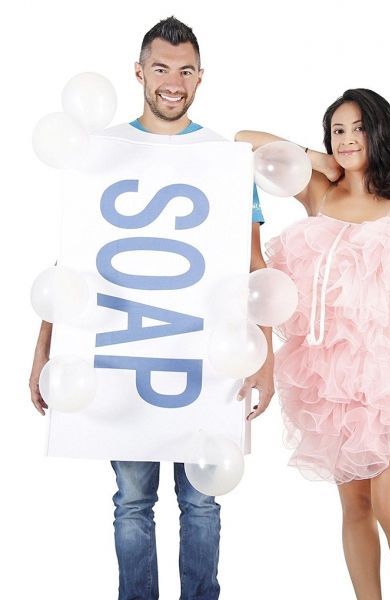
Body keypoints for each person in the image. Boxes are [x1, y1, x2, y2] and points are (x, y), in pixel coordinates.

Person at [29, 17, 274, 600]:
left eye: (185, 70)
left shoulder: (225, 160)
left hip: (205, 361)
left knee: (202, 502)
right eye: (161, 68)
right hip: (124, 359)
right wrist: (44, 349)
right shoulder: (100, 153)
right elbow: (72, 263)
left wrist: (266, 356)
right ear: (139, 72)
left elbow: (255, 265)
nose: (173, 81)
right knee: (133, 504)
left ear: (200, 77)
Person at [236, 88, 390, 600]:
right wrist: (318, 159)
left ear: (380, 132)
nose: (348, 139)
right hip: (334, 380)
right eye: (338, 130)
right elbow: (244, 141)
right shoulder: (318, 193)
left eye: (357, 128)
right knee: (355, 508)